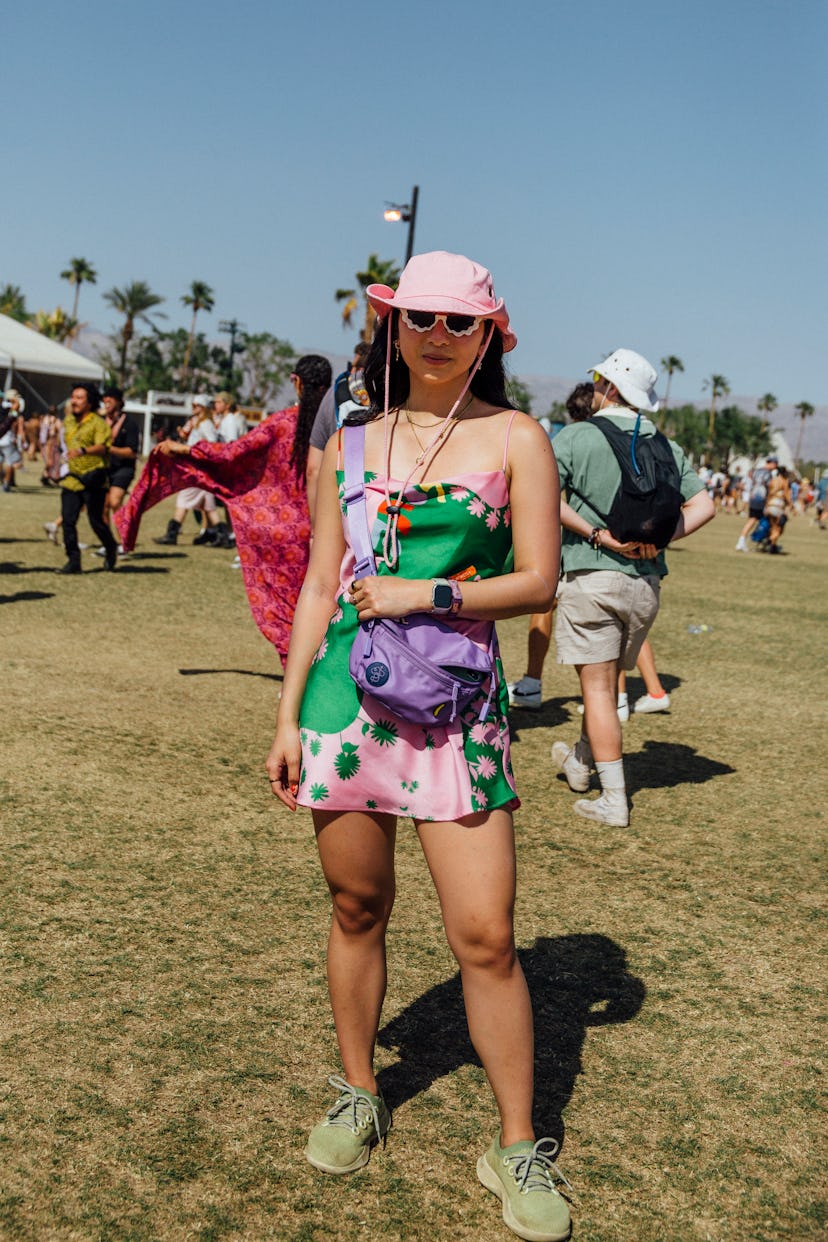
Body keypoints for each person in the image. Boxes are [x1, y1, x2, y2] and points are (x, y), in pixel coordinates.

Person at [265, 252, 571, 1242]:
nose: (438, 335)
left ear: (490, 335)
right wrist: (283, 715)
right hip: (342, 707)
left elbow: (539, 582)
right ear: (392, 325)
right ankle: (359, 1090)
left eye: (460, 321)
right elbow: (320, 585)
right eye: (420, 318)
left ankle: (516, 1144)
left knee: (485, 936)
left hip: (459, 713)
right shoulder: (348, 445)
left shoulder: (518, 437)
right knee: (356, 906)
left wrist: (425, 594)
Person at [551, 349, 714, 826]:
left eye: (599, 380)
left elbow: (542, 496)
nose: (596, 388)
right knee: (600, 682)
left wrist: (597, 535)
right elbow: (704, 506)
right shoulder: (666, 446)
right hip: (646, 585)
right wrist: (655, 541)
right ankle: (581, 762)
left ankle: (614, 800)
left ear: (611, 388)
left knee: (598, 690)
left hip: (592, 573)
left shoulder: (576, 436)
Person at [117, 356, 332, 665]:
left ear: (295, 381)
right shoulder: (339, 425)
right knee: (320, 608)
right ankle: (315, 676)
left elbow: (233, 453)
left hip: (275, 532)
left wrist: (187, 450)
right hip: (323, 530)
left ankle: (295, 677)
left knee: (284, 611)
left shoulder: (282, 422)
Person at [508, 382, 593, 711]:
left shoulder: (568, 440)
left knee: (545, 606)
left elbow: (546, 494)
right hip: (621, 553)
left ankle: (532, 682)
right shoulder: (624, 439)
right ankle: (616, 697)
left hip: (574, 542)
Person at [306, 341, 371, 524]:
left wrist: (315, 528)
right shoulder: (402, 391)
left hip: (339, 508)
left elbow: (313, 469)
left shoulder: (337, 392)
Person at [56, 383, 118, 573]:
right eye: (73, 397)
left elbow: (103, 447)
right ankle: (74, 561)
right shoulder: (68, 421)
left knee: (96, 521)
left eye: (79, 398)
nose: (74, 401)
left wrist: (83, 451)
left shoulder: (98, 424)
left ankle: (111, 548)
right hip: (72, 478)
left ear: (89, 403)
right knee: (68, 520)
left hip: (93, 478)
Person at [152, 396, 230, 546]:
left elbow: (211, 445)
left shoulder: (205, 424)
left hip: (197, 467)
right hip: (199, 468)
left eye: (196, 405)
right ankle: (222, 535)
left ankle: (172, 533)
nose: (193, 407)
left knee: (183, 499)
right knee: (208, 505)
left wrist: (190, 450)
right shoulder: (199, 422)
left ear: (203, 407)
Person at [735, 456, 776, 551]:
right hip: (761, 499)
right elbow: (769, 487)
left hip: (753, 498)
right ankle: (762, 542)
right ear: (772, 463)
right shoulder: (768, 474)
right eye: (775, 464)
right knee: (765, 521)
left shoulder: (756, 471)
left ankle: (742, 541)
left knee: (753, 520)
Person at [0, 389, 25, 492]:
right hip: (7, 438)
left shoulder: (4, 407)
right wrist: (15, 401)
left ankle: (3, 481)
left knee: (0, 461)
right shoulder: (8, 408)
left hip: (1, 438)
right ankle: (6, 484)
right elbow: (17, 409)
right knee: (9, 462)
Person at [763, 464, 792, 553]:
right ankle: (769, 541)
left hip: (769, 506)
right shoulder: (784, 481)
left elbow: (768, 494)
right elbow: (787, 496)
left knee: (773, 527)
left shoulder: (772, 481)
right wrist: (791, 504)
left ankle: (773, 547)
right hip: (778, 507)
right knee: (779, 529)